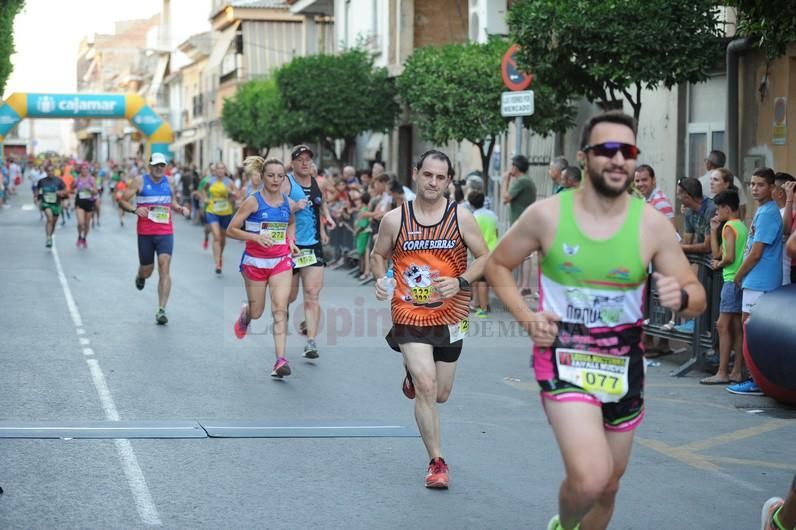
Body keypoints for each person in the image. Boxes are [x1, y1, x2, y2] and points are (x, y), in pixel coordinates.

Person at [484, 111, 706, 530]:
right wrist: (528, 318)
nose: (619, 159)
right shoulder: (547, 215)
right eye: (607, 150)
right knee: (590, 477)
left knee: (609, 487)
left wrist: (684, 296)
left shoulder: (651, 225)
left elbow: (696, 294)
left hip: (623, 368)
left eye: (628, 151)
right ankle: (564, 526)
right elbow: (498, 265)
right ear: (585, 158)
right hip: (564, 359)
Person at [373, 149, 489, 489]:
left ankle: (414, 375)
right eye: (428, 175)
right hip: (409, 310)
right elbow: (378, 255)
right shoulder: (395, 219)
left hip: (452, 312)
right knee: (426, 385)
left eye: (440, 177)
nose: (433, 182)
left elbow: (484, 258)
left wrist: (460, 281)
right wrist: (383, 279)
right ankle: (437, 462)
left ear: (449, 181)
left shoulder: (461, 218)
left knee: (440, 393)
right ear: (416, 174)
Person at [227, 156, 300, 378]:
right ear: (263, 177)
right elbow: (231, 229)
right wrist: (255, 237)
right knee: (258, 312)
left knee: (280, 308)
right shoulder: (253, 201)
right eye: (271, 175)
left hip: (280, 260)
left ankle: (280, 360)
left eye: (280, 176)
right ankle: (246, 314)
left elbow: (291, 223)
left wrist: (291, 241)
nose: (275, 180)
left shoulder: (287, 202)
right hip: (255, 262)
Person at [727, 167, 783, 396]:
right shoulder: (763, 211)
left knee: (753, 332)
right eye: (752, 184)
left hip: (760, 281)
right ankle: (756, 379)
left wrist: (739, 275)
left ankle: (756, 380)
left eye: (760, 184)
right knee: (748, 329)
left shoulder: (769, 213)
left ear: (771, 188)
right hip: (755, 280)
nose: (755, 188)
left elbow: (757, 252)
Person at [118, 152, 190, 325]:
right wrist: (134, 210)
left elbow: (170, 202)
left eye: (162, 165)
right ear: (150, 166)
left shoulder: (169, 181)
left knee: (165, 265)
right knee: (148, 270)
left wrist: (179, 208)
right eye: (156, 165)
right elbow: (123, 200)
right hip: (145, 232)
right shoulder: (139, 181)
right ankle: (140, 275)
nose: (159, 168)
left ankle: (161, 309)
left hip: (165, 231)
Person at [284, 145, 326, 359]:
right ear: (292, 163)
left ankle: (311, 342)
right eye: (300, 159)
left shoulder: (315, 182)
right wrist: (293, 207)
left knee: (312, 295)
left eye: (308, 159)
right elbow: (274, 207)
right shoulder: (286, 183)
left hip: (313, 246)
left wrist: (324, 228)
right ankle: (284, 309)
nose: (305, 162)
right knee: (289, 296)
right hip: (291, 247)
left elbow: (319, 206)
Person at [701, 190, 748, 385]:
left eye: (719, 209)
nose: (716, 213)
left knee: (722, 325)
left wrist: (718, 265)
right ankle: (736, 370)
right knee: (737, 327)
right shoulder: (741, 226)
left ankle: (722, 371)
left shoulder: (729, 226)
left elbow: (726, 258)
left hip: (731, 280)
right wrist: (713, 230)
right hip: (739, 280)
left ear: (727, 208)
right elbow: (717, 252)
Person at [502, 155, 537, 296]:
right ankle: (522, 284)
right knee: (523, 255)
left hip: (521, 222)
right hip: (524, 221)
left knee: (525, 255)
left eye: (512, 166)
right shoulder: (527, 181)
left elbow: (505, 198)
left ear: (515, 167)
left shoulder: (522, 181)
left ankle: (525, 285)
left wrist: (506, 180)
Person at [200, 162, 238, 274]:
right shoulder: (210, 181)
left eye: (222, 169)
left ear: (225, 170)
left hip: (226, 212)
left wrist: (232, 194)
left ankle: (220, 256)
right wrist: (205, 198)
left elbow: (237, 194)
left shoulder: (229, 182)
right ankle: (217, 263)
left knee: (222, 238)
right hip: (212, 211)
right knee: (216, 237)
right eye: (218, 169)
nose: (220, 171)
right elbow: (202, 190)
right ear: (215, 170)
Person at [468, 190, 498, 318]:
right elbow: (496, 233)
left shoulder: (473, 217)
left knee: (481, 280)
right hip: (493, 249)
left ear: (471, 203)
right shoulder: (492, 215)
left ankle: (482, 307)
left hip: (480, 251)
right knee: (481, 278)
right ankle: (478, 302)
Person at [677, 176, 716, 254]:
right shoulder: (688, 210)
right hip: (703, 258)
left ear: (687, 197)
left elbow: (707, 247)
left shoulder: (711, 209)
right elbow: (687, 242)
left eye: (679, 194)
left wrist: (679, 247)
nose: (678, 198)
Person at [36, 164, 68, 248]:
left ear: (54, 171)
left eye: (52, 171)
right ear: (46, 171)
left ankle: (51, 234)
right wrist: (38, 200)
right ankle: (48, 238)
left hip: (56, 203)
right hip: (46, 203)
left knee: (53, 222)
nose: (50, 172)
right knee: (49, 219)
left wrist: (61, 193)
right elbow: (38, 191)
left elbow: (65, 191)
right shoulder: (42, 181)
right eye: (48, 171)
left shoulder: (59, 181)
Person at [74, 163, 98, 248]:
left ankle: (84, 238)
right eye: (82, 169)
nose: (84, 170)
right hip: (79, 202)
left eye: (86, 169)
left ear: (88, 170)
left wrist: (90, 189)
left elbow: (96, 192)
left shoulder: (91, 179)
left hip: (89, 202)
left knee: (87, 224)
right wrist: (75, 190)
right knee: (81, 223)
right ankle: (79, 236)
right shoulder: (77, 178)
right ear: (80, 170)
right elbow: (73, 189)